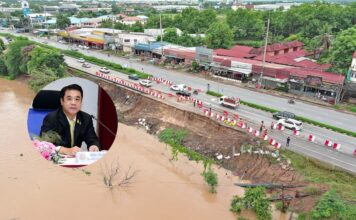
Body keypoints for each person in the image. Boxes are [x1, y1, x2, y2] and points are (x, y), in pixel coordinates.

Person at [40, 84, 100, 155]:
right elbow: (44, 144)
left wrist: (93, 146)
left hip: (75, 160)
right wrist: (65, 150)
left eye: (77, 99)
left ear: (81, 102)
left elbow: (92, 139)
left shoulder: (86, 118)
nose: (73, 103)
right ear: (62, 101)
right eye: (69, 99)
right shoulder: (51, 118)